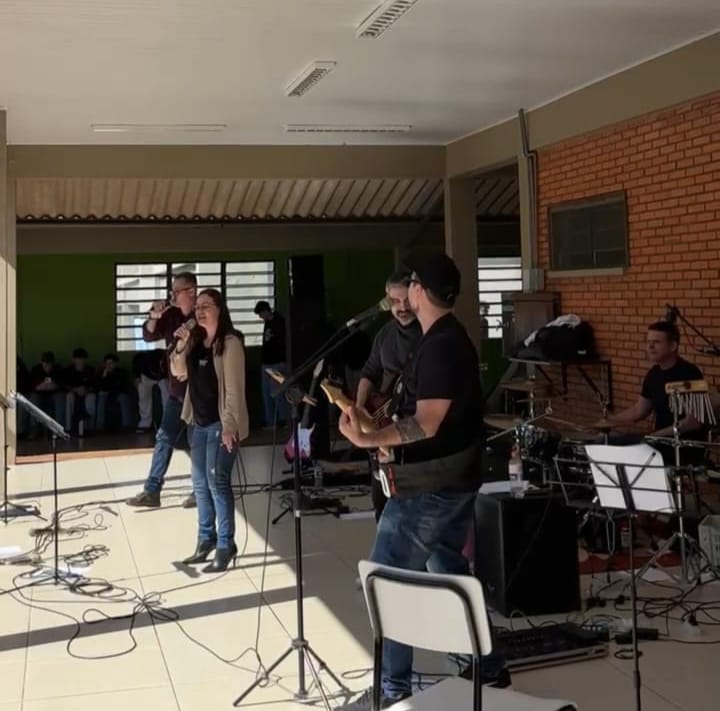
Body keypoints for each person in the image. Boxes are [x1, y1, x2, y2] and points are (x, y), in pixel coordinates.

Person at [336, 253, 507, 709]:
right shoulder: (441, 338)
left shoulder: (442, 345)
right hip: (445, 479)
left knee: (387, 581)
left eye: (410, 284)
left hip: (430, 488)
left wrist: (370, 439)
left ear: (419, 291)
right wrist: (385, 437)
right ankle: (489, 664)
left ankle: (392, 690)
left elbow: (427, 422)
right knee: (447, 570)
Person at [170, 289, 249, 573]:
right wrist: (181, 343)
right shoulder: (195, 341)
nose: (200, 311)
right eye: (198, 307)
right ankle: (206, 540)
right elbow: (178, 371)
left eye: (206, 306)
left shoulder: (230, 343)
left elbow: (234, 390)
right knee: (200, 485)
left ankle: (226, 545)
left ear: (219, 309)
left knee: (218, 483)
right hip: (199, 424)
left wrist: (229, 426)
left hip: (221, 425)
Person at [355, 269, 422, 521]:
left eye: (407, 300)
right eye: (395, 301)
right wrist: (360, 407)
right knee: (382, 503)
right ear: (386, 299)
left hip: (415, 429)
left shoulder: (429, 333)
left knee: (411, 507)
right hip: (384, 423)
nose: (402, 307)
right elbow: (369, 372)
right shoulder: (384, 334)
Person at [127, 272, 198, 509]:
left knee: (195, 443)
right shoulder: (170, 315)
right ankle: (152, 491)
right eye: (172, 291)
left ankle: (199, 491)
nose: (172, 296)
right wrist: (153, 317)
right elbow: (148, 336)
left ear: (191, 291)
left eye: (177, 291)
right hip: (176, 391)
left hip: (197, 392)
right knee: (164, 438)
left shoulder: (202, 314)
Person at [254, 300, 288, 427]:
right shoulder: (268, 323)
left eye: (260, 314)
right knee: (266, 393)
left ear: (265, 311)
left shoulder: (280, 322)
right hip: (267, 362)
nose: (260, 317)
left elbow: (283, 343)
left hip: (277, 362)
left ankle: (283, 418)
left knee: (277, 391)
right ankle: (270, 421)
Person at [132, 349, 169, 433]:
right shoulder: (142, 361)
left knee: (167, 397)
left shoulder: (167, 360)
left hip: (163, 377)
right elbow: (136, 368)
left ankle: (166, 423)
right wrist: (136, 377)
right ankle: (145, 423)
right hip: (147, 376)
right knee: (143, 394)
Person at [96, 353, 134, 431]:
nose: (109, 365)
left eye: (111, 363)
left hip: (118, 394)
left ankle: (126, 425)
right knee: (101, 397)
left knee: (124, 397)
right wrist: (104, 376)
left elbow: (123, 386)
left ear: (115, 364)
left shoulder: (122, 372)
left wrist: (112, 392)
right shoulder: (101, 372)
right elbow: (99, 387)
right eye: (107, 363)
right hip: (106, 394)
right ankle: (99, 426)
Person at [63, 348, 97, 437]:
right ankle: (69, 428)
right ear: (73, 360)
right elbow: (65, 385)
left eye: (82, 359)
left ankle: (90, 427)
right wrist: (75, 390)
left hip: (87, 394)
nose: (80, 361)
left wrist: (86, 390)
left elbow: (95, 385)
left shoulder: (90, 370)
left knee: (91, 397)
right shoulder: (68, 370)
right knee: (69, 396)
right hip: (73, 393)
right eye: (78, 359)